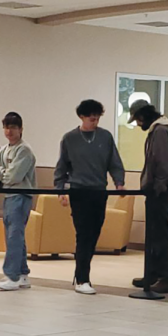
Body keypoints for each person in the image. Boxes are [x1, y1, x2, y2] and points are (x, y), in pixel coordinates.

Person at [54, 99, 126, 295]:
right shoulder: (70, 138)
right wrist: (60, 189)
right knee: (83, 233)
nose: (94, 120)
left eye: (97, 117)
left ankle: (81, 273)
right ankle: (82, 277)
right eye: (90, 117)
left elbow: (114, 162)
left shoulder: (105, 137)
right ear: (82, 117)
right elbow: (62, 166)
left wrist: (119, 182)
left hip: (99, 191)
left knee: (94, 233)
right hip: (79, 191)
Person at [129, 101, 168, 300]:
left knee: (159, 233)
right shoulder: (159, 130)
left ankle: (165, 278)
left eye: (138, 119)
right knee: (153, 232)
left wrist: (158, 185)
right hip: (160, 188)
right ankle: (152, 274)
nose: (138, 123)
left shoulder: (159, 132)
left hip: (161, 190)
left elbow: (164, 162)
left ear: (144, 115)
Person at [0, 111, 36, 291]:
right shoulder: (4, 149)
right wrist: (4, 173)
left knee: (14, 236)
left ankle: (13, 276)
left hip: (21, 196)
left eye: (13, 127)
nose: (9, 131)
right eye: (6, 127)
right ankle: (22, 274)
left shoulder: (24, 150)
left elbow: (14, 176)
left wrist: (3, 173)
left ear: (21, 129)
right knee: (14, 236)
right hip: (9, 196)